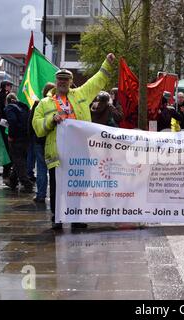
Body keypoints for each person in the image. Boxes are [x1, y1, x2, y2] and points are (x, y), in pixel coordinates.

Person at [33, 53, 116, 230]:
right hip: (57, 152)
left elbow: (97, 80)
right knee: (57, 186)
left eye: (66, 80)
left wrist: (107, 63)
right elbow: (37, 127)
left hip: (78, 151)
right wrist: (50, 120)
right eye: (60, 80)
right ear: (55, 82)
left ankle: (76, 216)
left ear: (70, 82)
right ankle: (57, 217)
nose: (62, 82)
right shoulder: (44, 103)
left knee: (77, 185)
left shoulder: (80, 95)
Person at [29, 83, 55, 203]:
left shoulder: (38, 104)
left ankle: (41, 195)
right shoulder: (57, 105)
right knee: (54, 170)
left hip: (39, 141)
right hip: (53, 142)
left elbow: (31, 123)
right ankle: (55, 195)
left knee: (41, 169)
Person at [4, 93, 34, 193]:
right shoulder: (24, 107)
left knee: (18, 161)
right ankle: (12, 181)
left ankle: (27, 184)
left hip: (17, 138)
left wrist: (11, 136)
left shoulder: (10, 108)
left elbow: (12, 121)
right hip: (26, 138)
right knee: (20, 161)